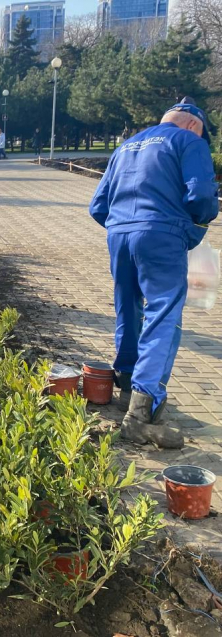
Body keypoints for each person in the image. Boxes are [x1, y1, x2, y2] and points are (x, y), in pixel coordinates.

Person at [89, 97, 218, 449]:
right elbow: (203, 196)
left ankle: (127, 381)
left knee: (127, 307)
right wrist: (193, 229)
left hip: (120, 236)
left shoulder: (127, 146)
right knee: (163, 314)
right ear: (194, 125)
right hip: (162, 235)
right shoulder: (189, 142)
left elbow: (98, 206)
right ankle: (141, 414)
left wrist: (123, 226)